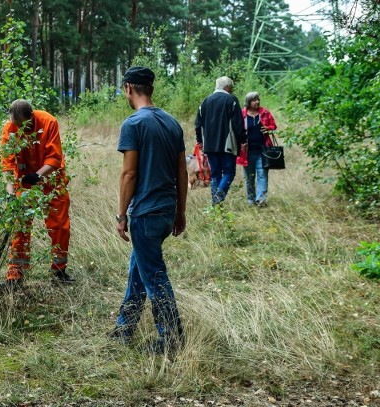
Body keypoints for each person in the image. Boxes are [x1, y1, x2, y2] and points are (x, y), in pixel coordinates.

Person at [110, 67, 187, 355]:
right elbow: (182, 172)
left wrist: (121, 216)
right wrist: (180, 212)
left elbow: (129, 174)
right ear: (150, 88)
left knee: (154, 275)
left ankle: (172, 338)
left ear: (129, 88)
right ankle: (124, 328)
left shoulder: (134, 124)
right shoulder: (172, 123)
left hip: (145, 212)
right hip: (167, 210)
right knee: (138, 270)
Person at [0, 99, 73, 289]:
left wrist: (38, 175)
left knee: (59, 226)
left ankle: (59, 271)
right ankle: (15, 276)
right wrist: (10, 192)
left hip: (51, 180)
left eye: (23, 125)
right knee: (20, 226)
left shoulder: (48, 122)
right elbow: (7, 166)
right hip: (24, 183)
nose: (19, 128)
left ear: (31, 117)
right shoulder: (10, 128)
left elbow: (55, 158)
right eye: (16, 125)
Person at [195, 76, 246, 205]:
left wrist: (200, 141)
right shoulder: (231, 100)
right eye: (231, 88)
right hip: (227, 144)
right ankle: (218, 198)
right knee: (229, 172)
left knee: (215, 175)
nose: (232, 90)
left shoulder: (205, 101)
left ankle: (215, 205)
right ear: (227, 87)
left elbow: (198, 124)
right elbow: (238, 124)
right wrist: (243, 140)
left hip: (210, 146)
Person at [240, 92, 277, 206]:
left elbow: (273, 126)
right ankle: (251, 200)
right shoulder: (242, 114)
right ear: (248, 102)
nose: (257, 102)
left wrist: (268, 128)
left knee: (262, 175)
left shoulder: (265, 113)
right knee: (249, 177)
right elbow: (237, 130)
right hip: (247, 152)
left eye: (258, 99)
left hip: (263, 150)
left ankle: (260, 199)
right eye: (254, 100)